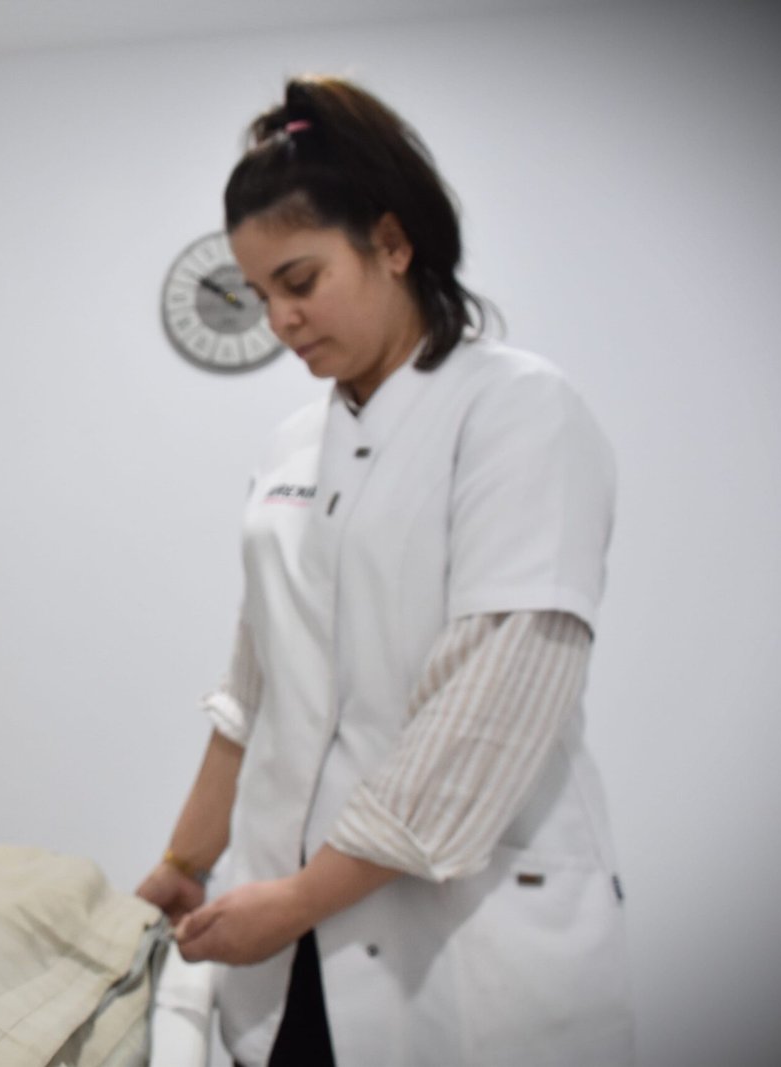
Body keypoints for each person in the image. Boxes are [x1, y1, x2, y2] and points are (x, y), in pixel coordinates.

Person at [136, 75, 634, 1067]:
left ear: (393, 243)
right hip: (285, 941)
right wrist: (184, 862)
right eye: (261, 294)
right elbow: (253, 690)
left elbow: (490, 709)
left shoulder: (517, 413)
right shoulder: (290, 445)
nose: (280, 318)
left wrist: (299, 899)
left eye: (301, 280)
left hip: (459, 942)